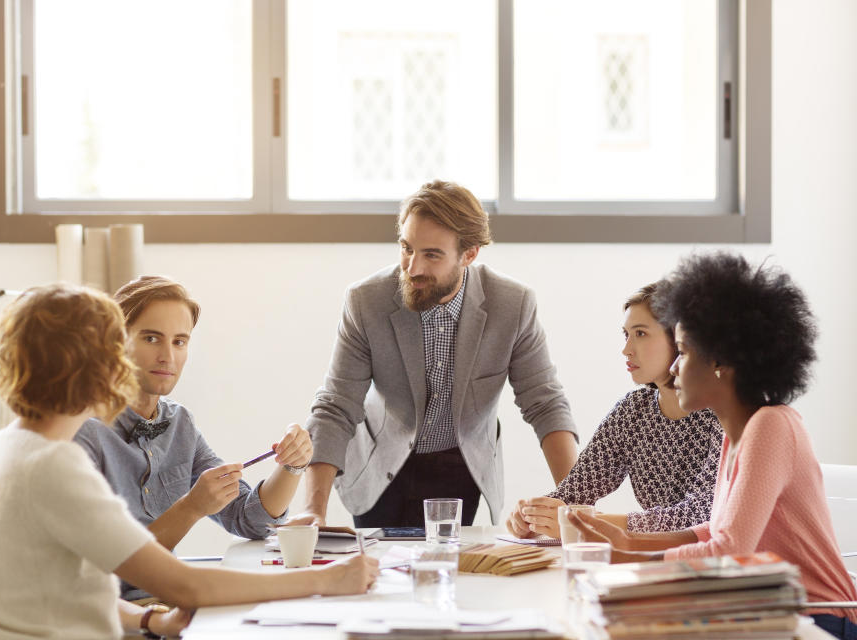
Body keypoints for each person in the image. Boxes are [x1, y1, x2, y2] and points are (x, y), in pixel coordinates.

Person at [0, 284, 378, 639]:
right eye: (119, 350)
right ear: (95, 366)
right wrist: (327, 580)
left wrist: (150, 620)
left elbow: (69, 589)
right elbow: (184, 585)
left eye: (179, 341)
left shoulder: (5, 449)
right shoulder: (55, 465)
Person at [567, 253, 857, 639]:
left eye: (683, 352)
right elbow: (714, 532)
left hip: (816, 618)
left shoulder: (771, 426)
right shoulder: (737, 431)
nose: (673, 369)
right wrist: (628, 541)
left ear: (720, 361)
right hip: (762, 610)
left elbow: (728, 550)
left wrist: (633, 554)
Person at [298, 180, 579, 528]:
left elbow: (545, 404)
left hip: (462, 470)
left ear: (469, 254)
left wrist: (574, 504)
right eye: (406, 248)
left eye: (432, 254)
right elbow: (336, 407)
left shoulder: (513, 305)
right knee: (381, 577)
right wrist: (314, 511)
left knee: (454, 576)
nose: (413, 267)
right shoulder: (365, 301)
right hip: (380, 468)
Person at [74, 276, 312, 599]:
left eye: (179, 342)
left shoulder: (180, 424)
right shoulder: (83, 433)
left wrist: (292, 466)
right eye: (151, 338)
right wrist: (191, 507)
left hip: (170, 603)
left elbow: (249, 519)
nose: (167, 357)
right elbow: (104, 567)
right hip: (113, 618)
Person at [506, 283, 723, 539]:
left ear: (679, 339)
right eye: (626, 335)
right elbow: (574, 492)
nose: (626, 349)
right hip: (653, 559)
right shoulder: (632, 412)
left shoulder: (721, 413)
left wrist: (592, 523)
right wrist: (533, 514)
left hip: (715, 562)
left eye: (640, 334)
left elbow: (702, 515)